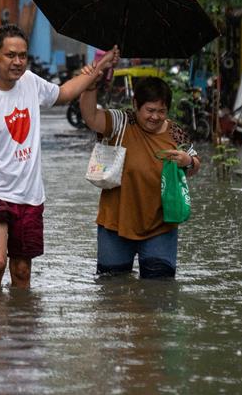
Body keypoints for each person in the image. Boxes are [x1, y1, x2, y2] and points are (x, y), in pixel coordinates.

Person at [0, 24, 119, 288]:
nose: (18, 62)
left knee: (21, 271)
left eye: (23, 56)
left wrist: (100, 66)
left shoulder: (30, 82)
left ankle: (20, 326)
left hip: (29, 195)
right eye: (10, 55)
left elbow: (64, 93)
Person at [78, 74, 200, 279]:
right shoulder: (120, 122)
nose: (155, 117)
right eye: (150, 110)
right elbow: (90, 117)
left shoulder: (175, 133)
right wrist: (91, 85)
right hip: (116, 223)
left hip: (161, 224)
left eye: (161, 111)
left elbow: (195, 165)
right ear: (136, 104)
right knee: (112, 290)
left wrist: (187, 161)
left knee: (159, 290)